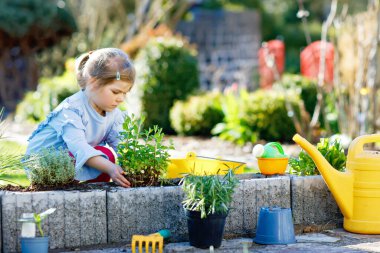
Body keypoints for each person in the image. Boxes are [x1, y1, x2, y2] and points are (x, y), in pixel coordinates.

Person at [25, 48, 134, 188]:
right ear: (94, 83)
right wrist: (110, 168)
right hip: (46, 161)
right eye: (115, 92)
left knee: (106, 156)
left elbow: (123, 144)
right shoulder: (72, 109)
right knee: (105, 163)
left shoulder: (113, 113)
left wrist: (136, 165)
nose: (121, 98)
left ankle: (96, 195)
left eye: (125, 93)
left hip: (72, 156)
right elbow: (78, 147)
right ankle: (70, 194)